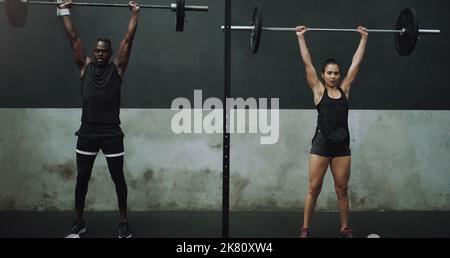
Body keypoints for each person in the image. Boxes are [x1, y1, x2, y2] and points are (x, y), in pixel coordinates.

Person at [59, 0, 140, 238]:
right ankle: (78, 222)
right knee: (82, 178)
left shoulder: (118, 69)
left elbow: (128, 39)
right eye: (97, 50)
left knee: (118, 178)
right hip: (87, 132)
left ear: (110, 53)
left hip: (112, 133)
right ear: (93, 52)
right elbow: (73, 39)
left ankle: (124, 222)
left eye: (105, 50)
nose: (101, 53)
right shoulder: (84, 68)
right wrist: (63, 10)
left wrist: (135, 13)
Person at [296, 25, 368, 238]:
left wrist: (363, 38)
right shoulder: (319, 91)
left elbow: (356, 63)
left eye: (336, 73)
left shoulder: (345, 89)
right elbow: (307, 62)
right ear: (323, 74)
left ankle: (344, 229)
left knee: (342, 189)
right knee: (313, 188)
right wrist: (301, 37)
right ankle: (305, 229)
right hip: (321, 145)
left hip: (341, 146)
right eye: (329, 73)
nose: (333, 76)